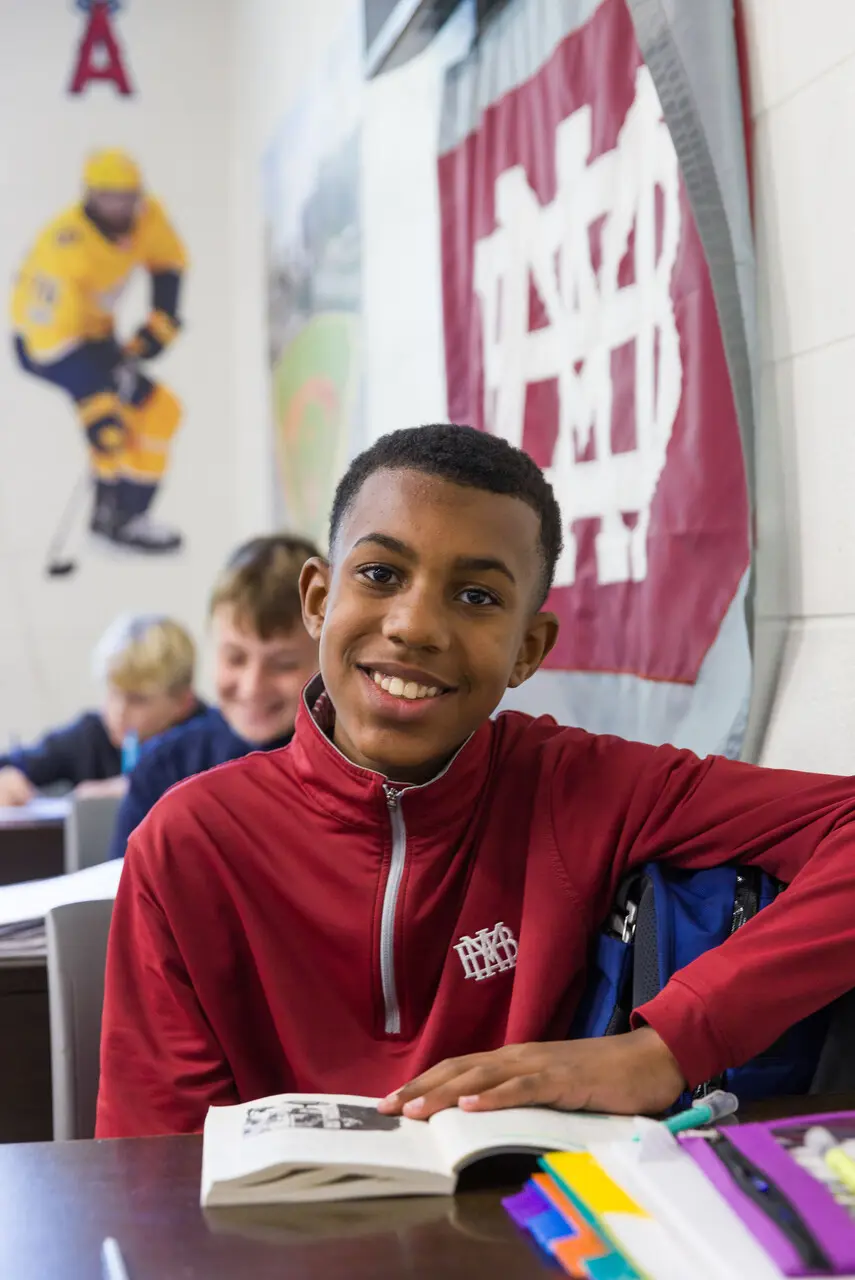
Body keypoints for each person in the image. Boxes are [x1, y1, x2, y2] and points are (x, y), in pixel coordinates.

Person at [96, 424, 855, 1140]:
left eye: (476, 596)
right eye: (380, 574)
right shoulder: (190, 841)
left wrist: (663, 1048)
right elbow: (149, 1165)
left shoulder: (581, 784)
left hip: (527, 1234)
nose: (415, 626)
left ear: (528, 648)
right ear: (319, 601)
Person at [10, 148, 187, 553]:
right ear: (90, 194)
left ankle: (126, 516)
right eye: (111, 196)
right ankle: (114, 518)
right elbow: (48, 344)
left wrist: (162, 319)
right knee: (109, 424)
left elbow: (167, 262)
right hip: (48, 344)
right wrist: (93, 399)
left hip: (95, 336)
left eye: (129, 195)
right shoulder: (64, 250)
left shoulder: (147, 215)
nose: (122, 206)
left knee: (161, 411)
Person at [106, 533, 321, 859]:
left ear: (327, 655)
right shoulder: (162, 768)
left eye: (283, 664)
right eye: (235, 658)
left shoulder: (354, 767)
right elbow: (122, 898)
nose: (252, 687)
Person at [0, 615, 201, 807]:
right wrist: (8, 777)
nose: (119, 711)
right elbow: (20, 762)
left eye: (137, 700)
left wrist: (141, 786)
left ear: (183, 702)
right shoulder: (91, 736)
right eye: (114, 694)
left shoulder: (213, 738)